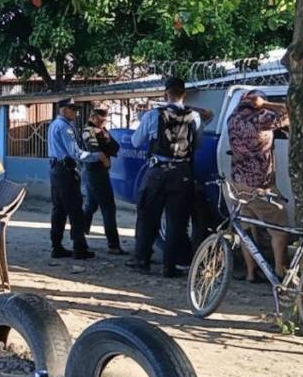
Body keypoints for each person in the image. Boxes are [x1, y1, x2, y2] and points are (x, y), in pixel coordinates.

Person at [128, 78, 214, 277]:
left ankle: (142, 261)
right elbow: (198, 143)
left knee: (148, 216)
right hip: (182, 173)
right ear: (184, 94)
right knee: (177, 221)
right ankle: (170, 267)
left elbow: (135, 141)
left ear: (165, 93)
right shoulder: (194, 116)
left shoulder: (152, 115)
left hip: (157, 172)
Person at [227, 89, 290, 282]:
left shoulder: (233, 119)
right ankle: (280, 273)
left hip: (238, 184)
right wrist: (265, 104)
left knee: (247, 229)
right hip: (261, 186)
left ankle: (250, 272)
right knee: (279, 229)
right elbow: (292, 111)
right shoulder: (262, 119)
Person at [48, 98, 108, 260]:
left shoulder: (55, 124)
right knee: (75, 210)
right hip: (66, 172)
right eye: (72, 109)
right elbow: (76, 153)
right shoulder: (64, 127)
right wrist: (98, 156)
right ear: (63, 109)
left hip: (56, 170)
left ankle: (57, 246)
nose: (76, 112)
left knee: (58, 210)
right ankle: (79, 248)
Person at [81, 109, 125, 255]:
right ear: (92, 117)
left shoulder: (101, 131)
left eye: (104, 121)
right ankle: (113, 245)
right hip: (95, 172)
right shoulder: (88, 131)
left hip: (98, 172)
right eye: (100, 120)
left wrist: (105, 136)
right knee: (108, 208)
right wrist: (105, 159)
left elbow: (115, 147)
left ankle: (79, 234)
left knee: (91, 205)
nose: (102, 123)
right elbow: (96, 151)